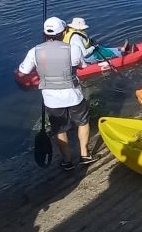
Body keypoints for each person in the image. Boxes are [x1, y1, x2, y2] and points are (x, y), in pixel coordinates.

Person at [16, 17, 92, 169]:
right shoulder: (73, 49)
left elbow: (22, 73)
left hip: (51, 100)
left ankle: (67, 160)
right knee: (83, 122)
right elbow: (83, 66)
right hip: (73, 95)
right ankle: (84, 155)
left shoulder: (34, 51)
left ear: (45, 33)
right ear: (63, 33)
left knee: (59, 129)